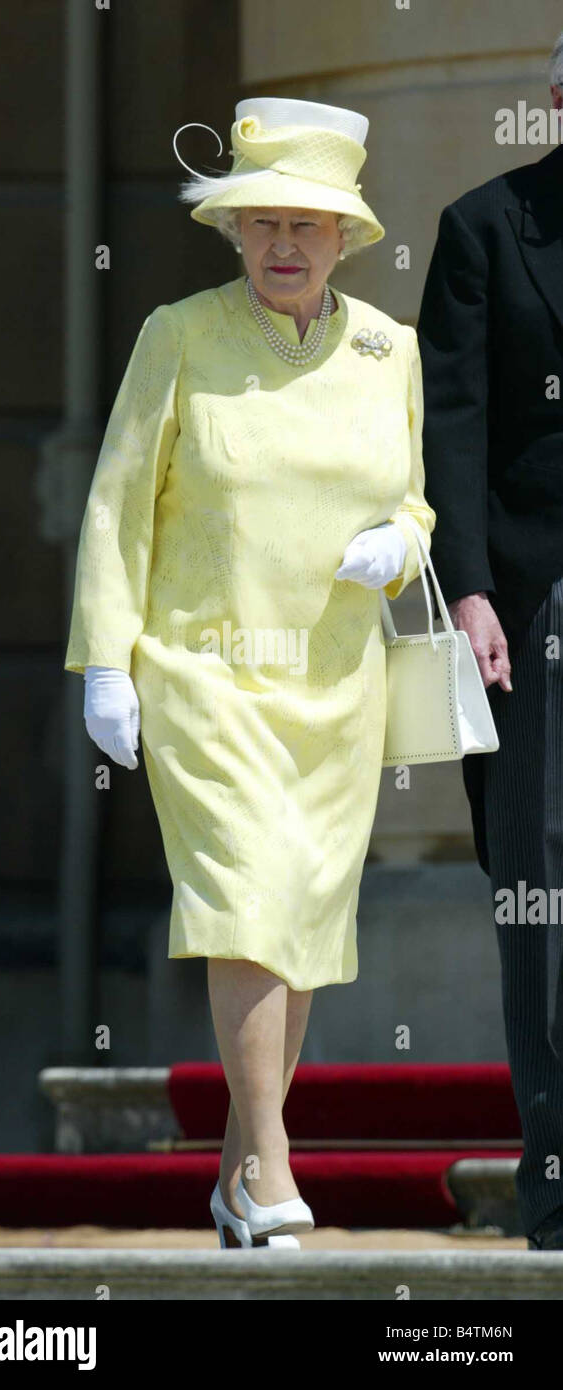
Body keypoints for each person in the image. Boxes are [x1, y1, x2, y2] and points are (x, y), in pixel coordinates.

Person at [64, 96, 436, 1248]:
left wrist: (406, 539)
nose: (286, 241)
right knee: (245, 901)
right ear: (233, 230)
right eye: (264, 219)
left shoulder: (390, 351)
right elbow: (118, 505)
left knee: (298, 924)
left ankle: (233, 1172)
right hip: (204, 672)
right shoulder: (176, 335)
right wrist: (104, 661)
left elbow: (415, 495)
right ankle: (273, 1170)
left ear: (347, 238)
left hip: (335, 686)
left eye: (309, 225)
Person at [417, 34, 563, 1250]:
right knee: (539, 893)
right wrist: (467, 593)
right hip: (533, 612)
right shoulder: (483, 229)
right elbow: (451, 430)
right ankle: (557, 1180)